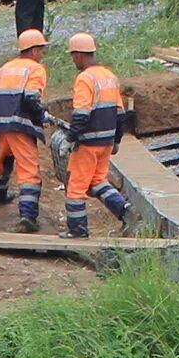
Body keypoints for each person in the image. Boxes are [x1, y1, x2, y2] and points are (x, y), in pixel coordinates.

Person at [61, 31, 133, 239]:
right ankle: (125, 211)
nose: (73, 59)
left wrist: (71, 138)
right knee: (98, 181)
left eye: (73, 55)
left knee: (76, 187)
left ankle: (77, 230)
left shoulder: (85, 79)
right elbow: (120, 114)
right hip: (107, 141)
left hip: (88, 142)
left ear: (79, 55)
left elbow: (81, 115)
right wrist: (117, 140)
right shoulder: (109, 76)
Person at [0, 27, 51, 232]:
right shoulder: (36, 69)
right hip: (20, 123)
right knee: (29, 169)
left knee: (4, 156)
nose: (41, 54)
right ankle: (28, 216)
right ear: (33, 51)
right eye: (41, 50)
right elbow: (31, 97)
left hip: (0, 122)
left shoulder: (5, 68)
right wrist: (41, 116)